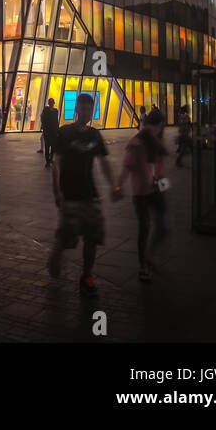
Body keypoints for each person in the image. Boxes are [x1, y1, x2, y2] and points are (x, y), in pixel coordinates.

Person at [48, 92, 120, 298]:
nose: (87, 112)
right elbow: (57, 163)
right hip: (70, 196)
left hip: (90, 195)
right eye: (83, 108)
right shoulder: (65, 133)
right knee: (67, 238)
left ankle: (87, 276)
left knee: (92, 237)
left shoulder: (95, 135)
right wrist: (56, 191)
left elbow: (104, 162)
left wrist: (114, 185)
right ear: (76, 109)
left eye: (90, 108)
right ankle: (58, 250)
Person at [119, 107, 169, 283]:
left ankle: (146, 261)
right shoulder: (138, 142)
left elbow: (160, 162)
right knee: (151, 226)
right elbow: (128, 165)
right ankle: (144, 264)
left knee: (149, 227)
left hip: (147, 190)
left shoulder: (150, 141)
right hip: (142, 191)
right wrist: (119, 184)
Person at [40, 98, 60, 169]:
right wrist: (44, 127)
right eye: (50, 102)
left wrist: (57, 130)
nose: (51, 103)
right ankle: (48, 161)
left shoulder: (55, 111)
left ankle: (51, 159)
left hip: (53, 132)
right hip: (47, 131)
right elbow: (42, 119)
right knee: (47, 146)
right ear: (49, 103)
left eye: (52, 102)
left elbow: (56, 121)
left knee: (53, 147)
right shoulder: (46, 110)